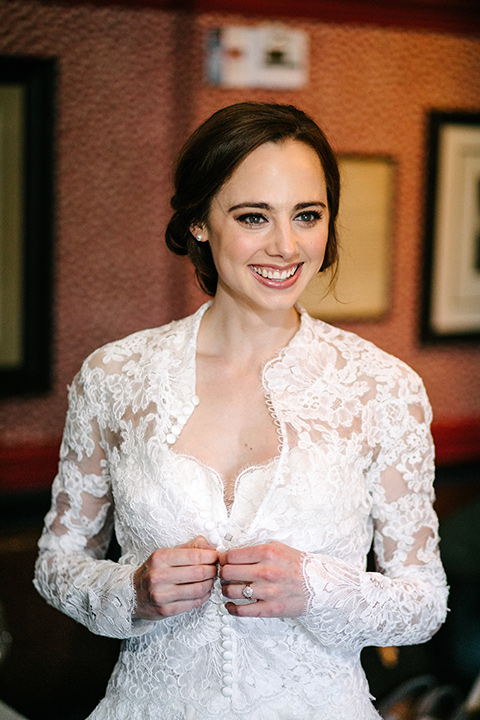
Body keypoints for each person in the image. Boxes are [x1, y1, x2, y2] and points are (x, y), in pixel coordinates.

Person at [34, 102, 448, 720]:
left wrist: (317, 588)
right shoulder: (114, 377)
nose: (286, 246)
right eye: (253, 216)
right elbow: (56, 565)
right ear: (200, 222)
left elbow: (423, 604)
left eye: (307, 215)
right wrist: (131, 591)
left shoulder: (383, 389)